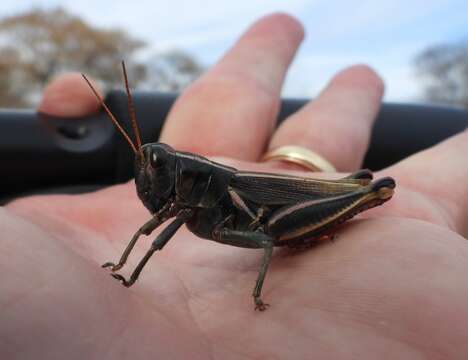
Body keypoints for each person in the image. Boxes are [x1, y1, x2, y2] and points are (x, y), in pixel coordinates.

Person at [2, 13, 468, 359]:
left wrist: (256, 296)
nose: (153, 177)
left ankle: (359, 196)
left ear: (187, 172)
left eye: (160, 165)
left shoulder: (206, 194)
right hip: (261, 212)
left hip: (279, 214)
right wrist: (120, 265)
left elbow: (262, 240)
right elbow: (152, 228)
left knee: (271, 233)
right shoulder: (185, 201)